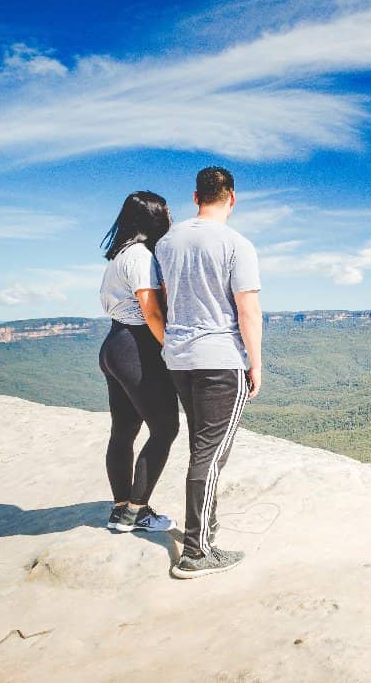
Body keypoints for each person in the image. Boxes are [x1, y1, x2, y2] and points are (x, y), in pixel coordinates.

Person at [156, 166, 263, 579]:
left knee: (203, 447)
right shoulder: (237, 244)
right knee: (211, 453)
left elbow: (165, 301)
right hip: (220, 357)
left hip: (179, 359)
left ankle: (207, 529)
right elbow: (247, 310)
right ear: (231, 197)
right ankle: (197, 552)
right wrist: (256, 363)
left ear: (195, 196)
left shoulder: (168, 243)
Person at [98, 190, 180, 533]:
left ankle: (120, 510)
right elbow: (151, 310)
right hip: (137, 347)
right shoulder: (141, 258)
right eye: (166, 212)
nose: (171, 217)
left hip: (115, 344)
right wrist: (171, 348)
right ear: (153, 218)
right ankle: (137, 511)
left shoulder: (119, 256)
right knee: (166, 429)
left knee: (124, 431)